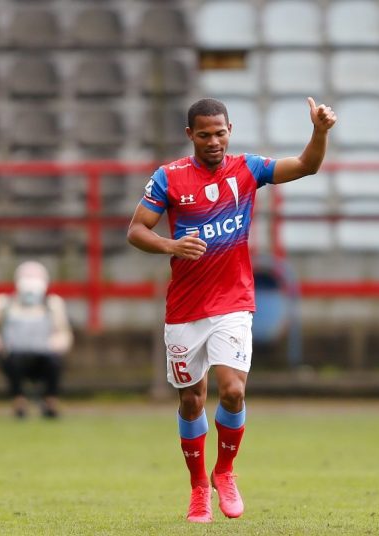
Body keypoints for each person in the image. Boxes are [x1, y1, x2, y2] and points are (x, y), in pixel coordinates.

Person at [127, 97, 337, 522]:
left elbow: (306, 166)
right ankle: (198, 487)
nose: (213, 141)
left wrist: (319, 132)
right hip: (185, 308)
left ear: (230, 130)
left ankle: (224, 472)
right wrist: (171, 245)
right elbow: (135, 230)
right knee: (191, 401)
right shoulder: (169, 178)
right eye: (204, 134)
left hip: (233, 302)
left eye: (220, 133)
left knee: (234, 390)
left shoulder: (247, 169)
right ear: (190, 135)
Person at [0, 261, 73, 419]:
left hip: (44, 357)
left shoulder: (53, 304)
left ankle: (50, 402)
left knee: (54, 362)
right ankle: (19, 402)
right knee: (12, 361)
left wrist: (58, 343)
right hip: (15, 357)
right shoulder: (4, 303)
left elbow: (64, 333)